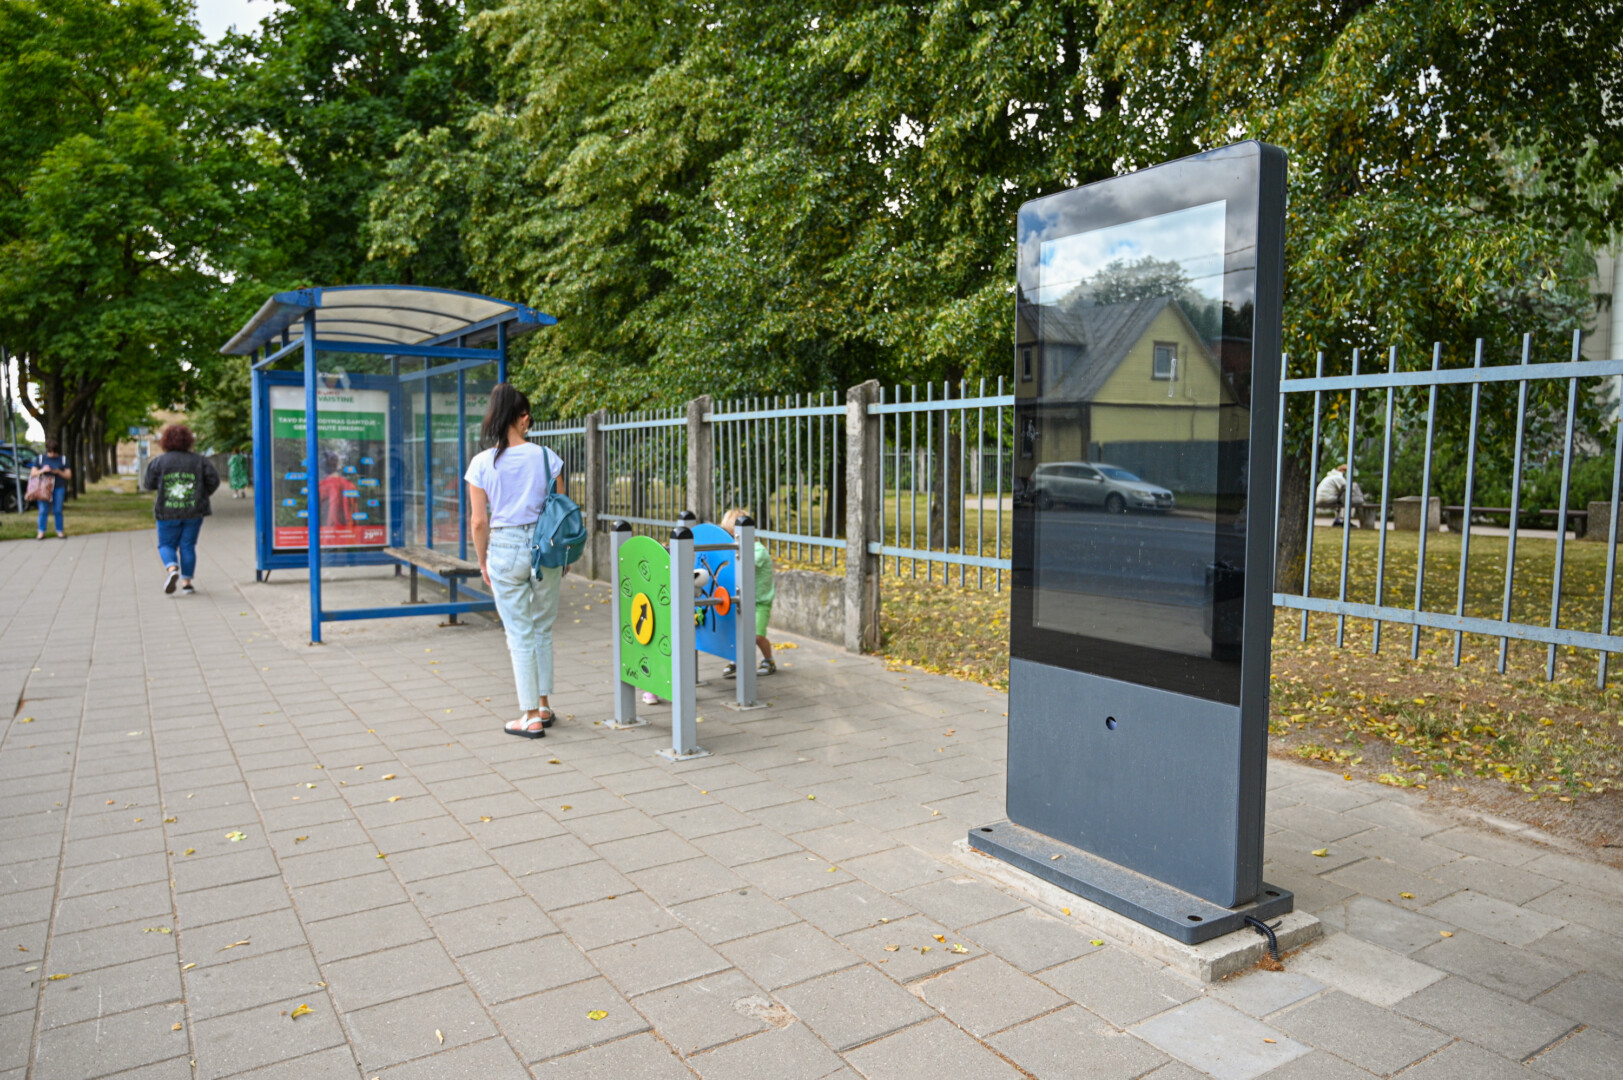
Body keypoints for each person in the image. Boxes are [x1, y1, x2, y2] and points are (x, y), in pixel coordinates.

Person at [466, 383, 567, 739]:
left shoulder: (481, 463)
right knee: (541, 627)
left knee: (519, 632)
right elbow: (561, 513)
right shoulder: (547, 457)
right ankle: (543, 705)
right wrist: (562, 555)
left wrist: (483, 561)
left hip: (505, 548)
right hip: (546, 547)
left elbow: (479, 522)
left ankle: (530, 717)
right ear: (522, 418)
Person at [143, 424, 220, 595]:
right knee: (188, 546)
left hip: (166, 511)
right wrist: (201, 494)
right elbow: (214, 481)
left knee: (166, 544)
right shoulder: (200, 461)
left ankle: (172, 568)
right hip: (194, 511)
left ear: (165, 441)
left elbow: (148, 484)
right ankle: (187, 584)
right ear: (189, 441)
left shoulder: (158, 462)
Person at [719, 507, 775, 679]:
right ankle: (736, 660)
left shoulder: (757, 550)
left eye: (732, 535)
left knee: (756, 636)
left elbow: (745, 566)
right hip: (741, 600)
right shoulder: (733, 550)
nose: (730, 539)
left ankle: (768, 660)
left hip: (760, 602)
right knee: (737, 633)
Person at [28, 440, 70, 540]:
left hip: (58, 487)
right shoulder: (40, 459)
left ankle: (60, 531)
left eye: (54, 452)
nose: (52, 454)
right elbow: (33, 473)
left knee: (58, 510)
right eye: (50, 452)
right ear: (47, 450)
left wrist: (58, 471)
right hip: (44, 488)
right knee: (43, 510)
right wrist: (43, 470)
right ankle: (41, 532)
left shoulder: (63, 460)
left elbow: (68, 475)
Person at [1315, 463, 1366, 528]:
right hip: (1327, 498)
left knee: (1341, 501)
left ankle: (1338, 520)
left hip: (1319, 498)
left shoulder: (1330, 476)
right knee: (1350, 501)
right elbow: (1347, 489)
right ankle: (1346, 521)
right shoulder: (1339, 478)